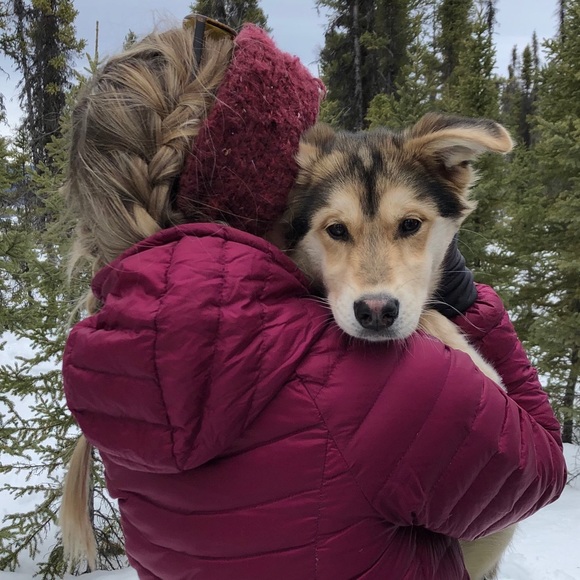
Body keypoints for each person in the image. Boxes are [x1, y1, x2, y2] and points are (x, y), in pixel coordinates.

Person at [60, 13, 567, 580]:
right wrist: (469, 308)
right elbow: (539, 471)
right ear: (270, 194)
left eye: (407, 227)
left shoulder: (119, 368)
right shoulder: (389, 379)